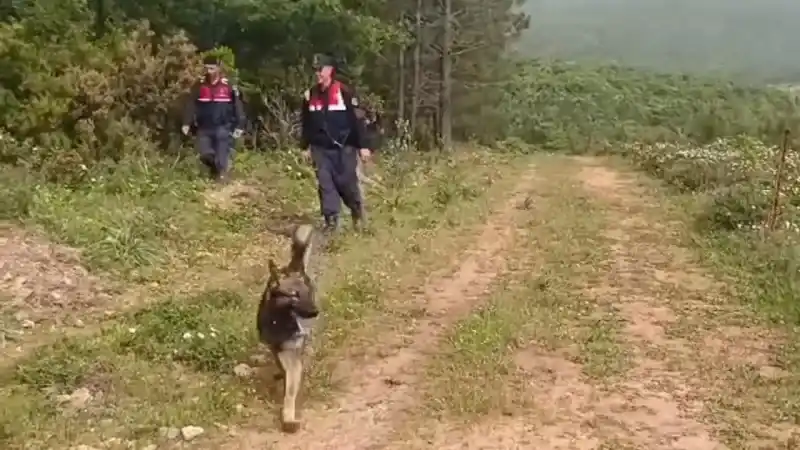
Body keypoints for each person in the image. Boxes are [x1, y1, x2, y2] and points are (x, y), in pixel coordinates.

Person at [300, 54, 372, 233]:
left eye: (321, 69)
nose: (317, 73)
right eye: (315, 70)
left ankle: (356, 211)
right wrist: (304, 146)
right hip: (321, 149)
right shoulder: (310, 95)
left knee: (346, 183)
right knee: (325, 183)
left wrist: (363, 145)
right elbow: (306, 123)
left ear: (330, 71)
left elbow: (358, 120)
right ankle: (331, 220)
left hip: (344, 147)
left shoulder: (344, 92)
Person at [181, 55, 245, 183]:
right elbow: (191, 104)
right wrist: (186, 123)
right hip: (204, 127)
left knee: (221, 157)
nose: (209, 71)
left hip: (222, 126)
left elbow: (237, 105)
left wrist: (240, 124)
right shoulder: (199, 85)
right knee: (205, 155)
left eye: (212, 68)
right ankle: (216, 171)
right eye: (207, 68)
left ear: (218, 68)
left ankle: (222, 179)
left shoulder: (228, 86)